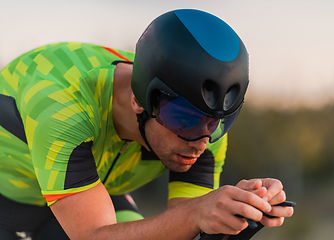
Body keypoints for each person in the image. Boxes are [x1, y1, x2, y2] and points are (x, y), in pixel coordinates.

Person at [0, 9, 293, 240]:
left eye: (219, 121)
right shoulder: (61, 104)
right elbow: (93, 236)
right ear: (140, 100)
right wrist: (195, 214)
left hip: (95, 191)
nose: (200, 141)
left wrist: (238, 213)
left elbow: (186, 227)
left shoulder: (206, 128)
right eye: (185, 119)